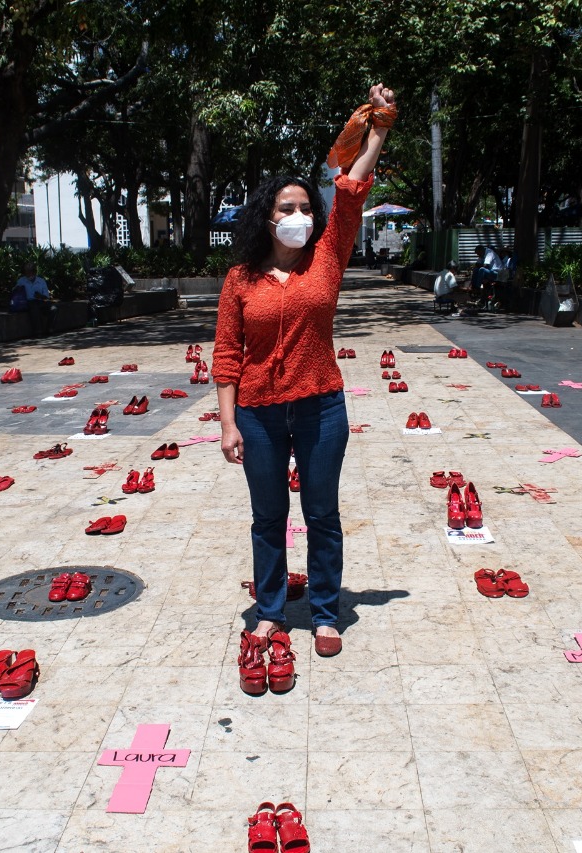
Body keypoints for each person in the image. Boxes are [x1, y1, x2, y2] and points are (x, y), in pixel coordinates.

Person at [214, 83, 396, 659]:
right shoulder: (240, 279)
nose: (298, 216)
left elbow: (351, 190)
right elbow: (226, 354)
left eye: (304, 208)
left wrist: (379, 127)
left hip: (321, 409)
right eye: (286, 209)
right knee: (268, 519)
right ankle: (270, 612)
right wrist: (228, 423)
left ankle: (323, 613)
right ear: (266, 219)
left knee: (322, 515)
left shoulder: (327, 258)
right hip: (258, 415)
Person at [13, 261, 56, 337]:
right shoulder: (21, 281)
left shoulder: (41, 281)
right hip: (28, 302)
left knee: (53, 308)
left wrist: (40, 296)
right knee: (34, 307)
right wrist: (18, 290)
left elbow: (46, 296)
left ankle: (50, 328)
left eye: (30, 271)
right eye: (27, 271)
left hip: (40, 301)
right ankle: (38, 331)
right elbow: (15, 291)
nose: (28, 273)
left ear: (34, 272)